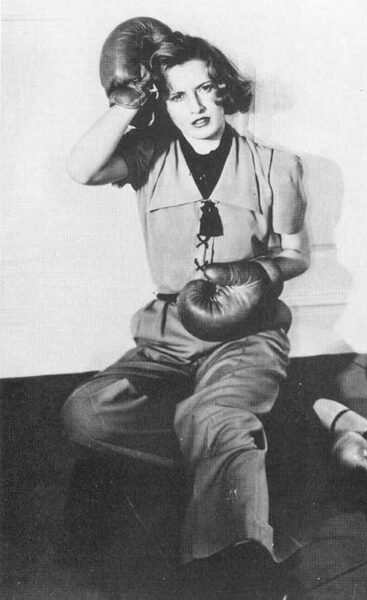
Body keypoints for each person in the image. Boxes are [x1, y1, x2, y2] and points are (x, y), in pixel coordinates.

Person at [63, 18, 309, 598]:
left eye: (205, 88)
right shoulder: (148, 156)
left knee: (216, 417)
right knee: (86, 414)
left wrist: (259, 273)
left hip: (248, 331)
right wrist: (128, 101)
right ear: (162, 104)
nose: (195, 106)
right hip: (168, 331)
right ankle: (223, 450)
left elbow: (296, 253)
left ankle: (232, 558)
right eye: (176, 95)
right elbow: (81, 169)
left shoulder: (276, 165)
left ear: (224, 89)